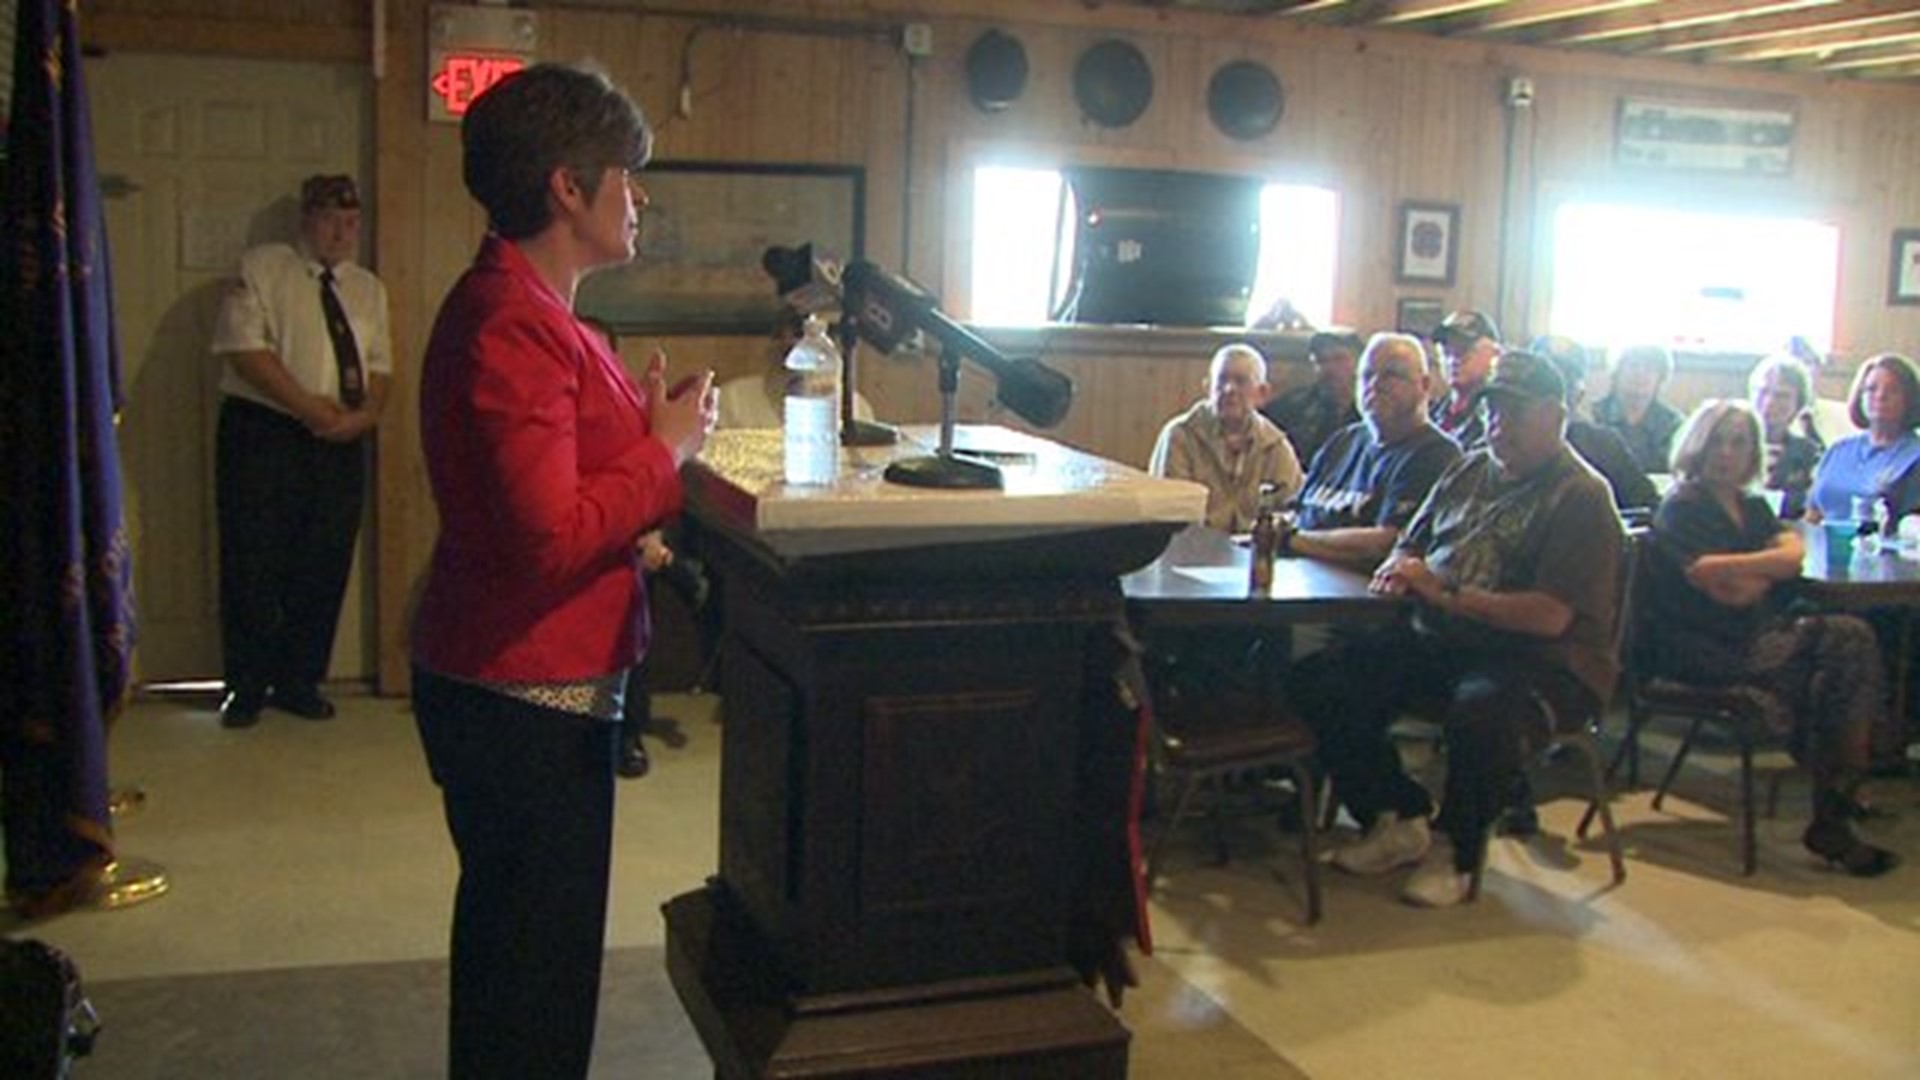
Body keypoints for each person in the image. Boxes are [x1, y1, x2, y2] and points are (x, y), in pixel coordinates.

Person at [409, 63, 717, 1078]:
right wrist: (660, 452)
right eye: (626, 176)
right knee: (531, 977)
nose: (641, 196)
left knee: (526, 961)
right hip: (518, 687)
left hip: (537, 682)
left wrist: (642, 434)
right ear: (566, 189)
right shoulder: (512, 321)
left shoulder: (541, 313)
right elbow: (542, 538)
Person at [1291, 351, 1623, 908]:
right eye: (1493, 409)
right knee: (1324, 678)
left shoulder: (1582, 497)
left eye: (1515, 412)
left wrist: (1445, 593)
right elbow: (1410, 542)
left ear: (1555, 415)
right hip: (1446, 640)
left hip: (1544, 662)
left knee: (1482, 711)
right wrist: (1402, 571)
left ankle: (1459, 850)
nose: (1499, 424)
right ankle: (1394, 815)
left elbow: (1550, 616)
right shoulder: (1468, 467)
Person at [1642, 401, 1896, 876]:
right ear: (1698, 443)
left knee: (1841, 664)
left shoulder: (1751, 505)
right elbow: (1733, 594)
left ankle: (1835, 809)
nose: (1726, 453)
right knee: (1847, 649)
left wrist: (1738, 566)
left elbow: (1790, 553)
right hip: (1704, 648)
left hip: (1757, 638)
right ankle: (1840, 803)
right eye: (1717, 440)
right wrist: (1767, 566)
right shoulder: (1683, 506)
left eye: (1739, 443)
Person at [209, 174, 392, 728]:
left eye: (352, 222)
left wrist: (365, 416)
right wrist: (309, 408)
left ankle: (299, 679)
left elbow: (380, 364)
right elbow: (244, 350)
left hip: (340, 439)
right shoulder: (266, 267)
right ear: (307, 220)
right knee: (254, 559)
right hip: (266, 431)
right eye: (332, 220)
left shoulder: (367, 288)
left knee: (324, 559)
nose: (343, 232)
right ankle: (246, 685)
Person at [1286, 332, 1458, 569]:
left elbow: (1385, 545)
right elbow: (1296, 512)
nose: (1375, 385)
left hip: (1361, 599)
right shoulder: (1342, 442)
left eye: (1391, 375)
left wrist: (1292, 540)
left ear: (1425, 385)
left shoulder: (1436, 455)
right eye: (1366, 376)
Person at [1149, 343, 1303, 532]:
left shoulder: (1276, 446)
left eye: (1241, 381)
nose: (1229, 389)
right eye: (1222, 380)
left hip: (1253, 552)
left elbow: (1293, 511)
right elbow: (1168, 511)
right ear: (1207, 388)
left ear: (1262, 393)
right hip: (1190, 551)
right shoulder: (1180, 436)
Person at [1532, 335, 1658, 514]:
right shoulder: (1497, 442)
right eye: (1542, 381)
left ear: (1579, 392)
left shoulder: (1604, 446)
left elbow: (1647, 507)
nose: (1553, 392)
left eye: (1564, 381)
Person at [1806, 352, 1920, 523]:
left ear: (1910, 399)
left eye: (1893, 390)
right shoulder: (1838, 450)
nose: (1880, 396)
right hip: (1825, 543)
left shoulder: (1914, 457)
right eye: (1871, 389)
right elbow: (1813, 512)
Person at [715, 309, 874, 429]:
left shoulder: (854, 407)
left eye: (799, 334)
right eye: (778, 335)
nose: (787, 343)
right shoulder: (732, 399)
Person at [1261, 329, 1362, 469]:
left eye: (1339, 358)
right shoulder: (1293, 407)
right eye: (1321, 361)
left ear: (1359, 362)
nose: (1329, 368)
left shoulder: (1372, 410)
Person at [1748, 352, 1824, 519]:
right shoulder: (1726, 446)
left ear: (1798, 404)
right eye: (1763, 392)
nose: (1769, 403)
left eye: (1781, 396)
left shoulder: (1808, 454)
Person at [1593, 343, 1685, 475]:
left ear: (1661, 378)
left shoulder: (1674, 425)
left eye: (1649, 368)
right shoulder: (1592, 416)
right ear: (1616, 372)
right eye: (1633, 365)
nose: (1640, 373)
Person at [1427, 309, 1500, 450]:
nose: (1453, 360)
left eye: (1464, 350)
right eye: (1446, 352)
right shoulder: (1431, 413)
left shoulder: (1495, 420)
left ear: (1494, 354)